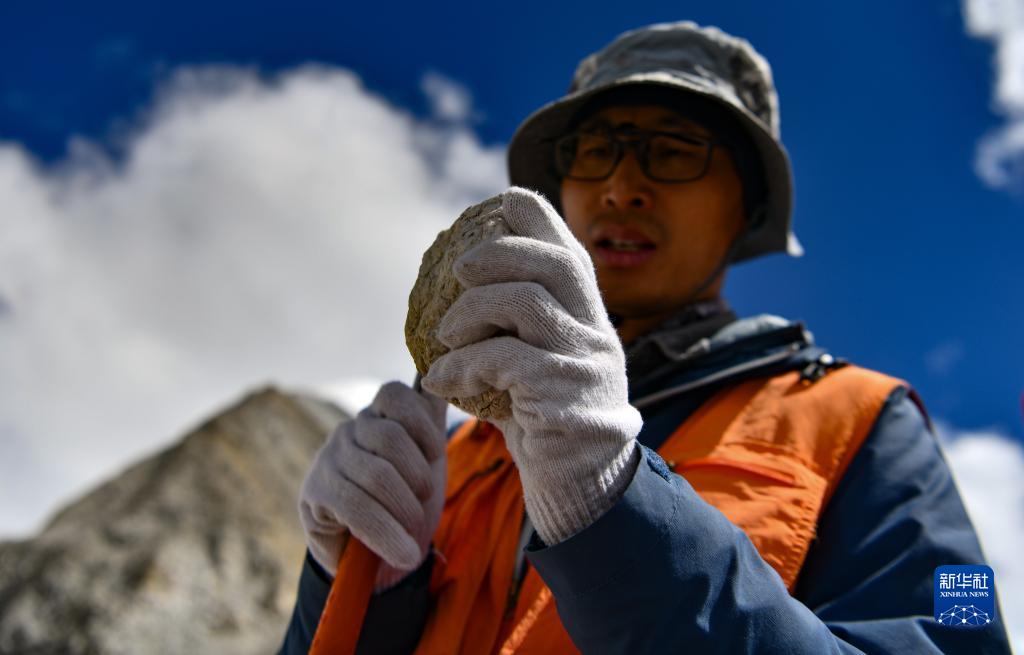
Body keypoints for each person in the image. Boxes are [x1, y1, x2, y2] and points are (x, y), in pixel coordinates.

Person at [279, 21, 1012, 654]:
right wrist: (354, 583)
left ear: (745, 206)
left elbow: (962, 633)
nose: (620, 186)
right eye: (594, 151)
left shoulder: (868, 422)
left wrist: (618, 509)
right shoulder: (462, 452)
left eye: (674, 150)